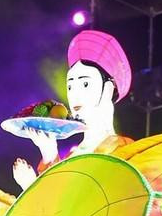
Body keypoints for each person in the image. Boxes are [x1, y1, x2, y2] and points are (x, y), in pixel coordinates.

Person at [9, 29, 136, 190]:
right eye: (70, 86)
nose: (75, 94)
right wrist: (48, 153)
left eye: (85, 84)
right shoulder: (72, 156)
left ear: (109, 89)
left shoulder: (124, 151)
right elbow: (55, 202)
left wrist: (33, 182)